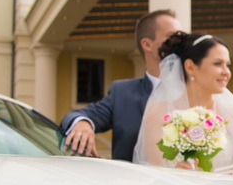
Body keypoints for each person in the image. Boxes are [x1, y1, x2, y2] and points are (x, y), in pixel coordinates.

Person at [133, 31, 233, 185]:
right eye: (217, 64)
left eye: (227, 65)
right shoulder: (159, 111)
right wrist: (176, 174)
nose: (226, 72)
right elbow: (152, 172)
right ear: (190, 67)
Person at [59, 9, 182, 160]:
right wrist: (82, 123)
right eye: (171, 36)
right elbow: (76, 115)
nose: (179, 42)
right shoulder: (122, 93)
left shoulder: (196, 90)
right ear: (147, 44)